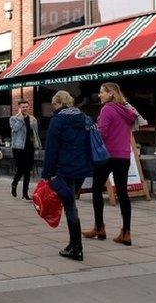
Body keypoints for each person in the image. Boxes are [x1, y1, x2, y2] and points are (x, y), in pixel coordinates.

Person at [42, 90, 94, 261]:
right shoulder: (84, 118)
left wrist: (46, 173)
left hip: (65, 168)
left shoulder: (58, 121)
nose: (53, 108)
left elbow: (51, 149)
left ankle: (76, 248)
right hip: (82, 169)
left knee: (70, 206)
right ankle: (73, 244)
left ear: (58, 103)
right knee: (71, 203)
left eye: (53, 104)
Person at [84, 82, 139, 246]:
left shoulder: (107, 109)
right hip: (124, 156)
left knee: (96, 190)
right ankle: (126, 232)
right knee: (123, 194)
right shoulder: (127, 111)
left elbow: (103, 133)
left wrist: (93, 130)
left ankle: (99, 228)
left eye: (102, 92)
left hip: (107, 156)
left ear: (111, 94)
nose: (99, 95)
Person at [10, 99, 42, 200]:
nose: (25, 108)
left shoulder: (33, 119)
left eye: (26, 107)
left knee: (28, 170)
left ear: (29, 107)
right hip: (18, 148)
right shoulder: (14, 118)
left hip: (29, 147)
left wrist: (37, 146)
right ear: (19, 108)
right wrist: (21, 118)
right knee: (21, 169)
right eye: (23, 107)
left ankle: (25, 193)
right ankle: (14, 183)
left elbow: (35, 134)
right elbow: (15, 129)